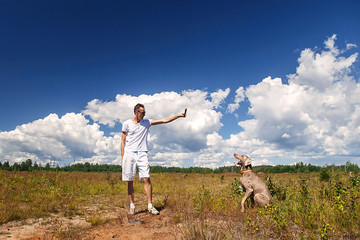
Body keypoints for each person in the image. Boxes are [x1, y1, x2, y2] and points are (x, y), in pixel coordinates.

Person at [121, 103, 187, 215]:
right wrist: (123, 158)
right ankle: (132, 206)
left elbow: (164, 120)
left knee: (146, 178)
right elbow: (122, 141)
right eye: (142, 112)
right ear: (136, 112)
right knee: (130, 180)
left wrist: (179, 115)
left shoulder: (146, 122)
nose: (144, 114)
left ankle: (150, 206)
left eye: (145, 112)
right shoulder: (126, 124)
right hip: (129, 153)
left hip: (142, 153)